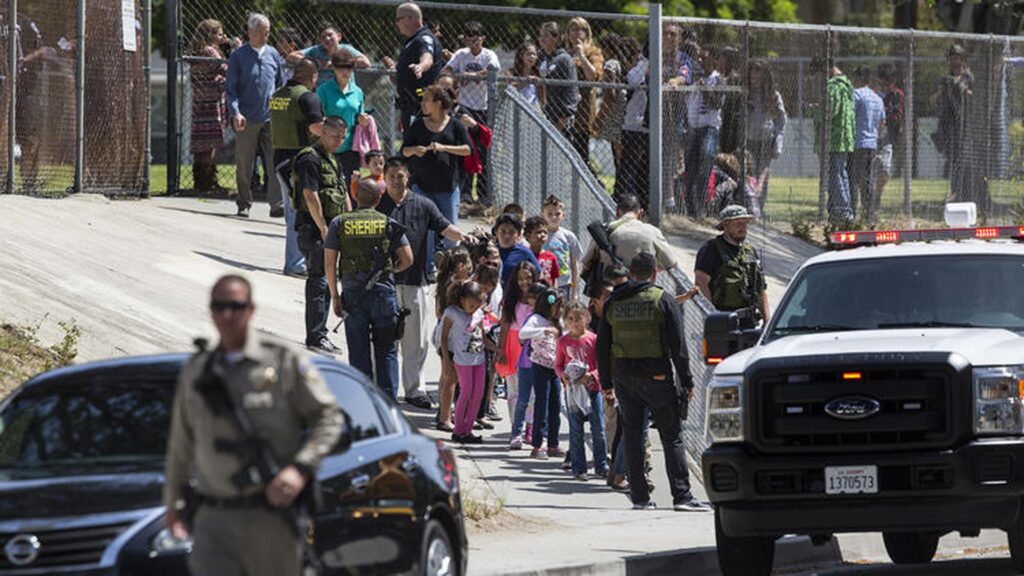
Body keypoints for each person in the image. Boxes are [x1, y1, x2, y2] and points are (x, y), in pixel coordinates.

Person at [163, 274, 343, 576]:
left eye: (235, 306)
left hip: (270, 518)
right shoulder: (197, 372)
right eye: (219, 307)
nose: (226, 314)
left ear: (250, 309)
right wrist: (173, 503)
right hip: (213, 520)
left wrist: (300, 469)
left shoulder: (283, 361)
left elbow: (328, 417)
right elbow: (181, 444)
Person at [597, 252, 710, 512]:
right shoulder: (663, 299)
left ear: (631, 272)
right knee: (672, 437)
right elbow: (678, 347)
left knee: (633, 436)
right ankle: (682, 497)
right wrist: (687, 381)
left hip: (624, 378)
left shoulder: (614, 301)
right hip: (657, 376)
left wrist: (606, 383)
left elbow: (602, 347)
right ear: (655, 273)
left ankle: (640, 498)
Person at [377, 157, 470, 410]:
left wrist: (464, 236)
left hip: (416, 282)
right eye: (392, 176)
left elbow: (444, 226)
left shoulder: (423, 204)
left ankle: (414, 391)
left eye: (401, 176)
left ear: (408, 178)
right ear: (384, 178)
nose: (397, 180)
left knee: (415, 340)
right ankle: (384, 390)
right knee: (386, 340)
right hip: (385, 283)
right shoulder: (376, 204)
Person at [325, 179, 414, 399]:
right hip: (384, 295)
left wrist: (335, 296)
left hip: (353, 297)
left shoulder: (339, 223)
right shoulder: (387, 222)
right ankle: (388, 405)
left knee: (358, 352)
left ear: (355, 196)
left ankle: (362, 403)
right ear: (378, 199)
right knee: (386, 351)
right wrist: (390, 271)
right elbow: (408, 258)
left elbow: (329, 264)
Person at [293, 116, 351, 354]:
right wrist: (323, 228)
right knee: (319, 281)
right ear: (323, 133)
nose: (339, 140)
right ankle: (316, 336)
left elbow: (343, 192)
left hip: (333, 228)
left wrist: (349, 222)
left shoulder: (333, 160)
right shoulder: (310, 158)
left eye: (343, 136)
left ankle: (321, 333)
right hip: (314, 229)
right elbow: (310, 194)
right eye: (335, 135)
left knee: (328, 281)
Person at [401, 84, 471, 271]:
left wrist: (444, 147)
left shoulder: (455, 124)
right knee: (426, 230)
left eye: (427, 100)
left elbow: (467, 149)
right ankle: (428, 267)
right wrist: (415, 150)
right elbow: (404, 151)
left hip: (448, 187)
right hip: (422, 186)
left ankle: (450, 268)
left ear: (438, 103)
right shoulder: (418, 124)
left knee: (451, 230)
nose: (423, 103)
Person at [226, 13, 286, 218]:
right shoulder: (238, 56)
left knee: (274, 162)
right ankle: (244, 203)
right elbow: (231, 89)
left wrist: (281, 111)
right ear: (250, 32)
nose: (266, 36)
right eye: (262, 32)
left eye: (268, 32)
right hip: (246, 119)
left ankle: (276, 204)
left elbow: (281, 85)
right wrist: (236, 112)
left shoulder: (273, 54)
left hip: (271, 119)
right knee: (245, 163)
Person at [269, 58, 323, 278]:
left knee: (292, 212)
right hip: (297, 160)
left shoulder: (278, 95)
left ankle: (296, 260)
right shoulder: (308, 97)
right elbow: (317, 128)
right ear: (313, 76)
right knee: (296, 213)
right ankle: (295, 263)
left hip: (280, 159)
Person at [444, 24, 499, 205]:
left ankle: (483, 194)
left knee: (483, 150)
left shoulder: (488, 54)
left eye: (476, 37)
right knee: (467, 148)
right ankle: (466, 192)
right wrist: (459, 76)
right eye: (469, 38)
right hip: (465, 106)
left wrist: (472, 74)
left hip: (483, 108)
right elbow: (448, 70)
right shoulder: (461, 54)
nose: (473, 41)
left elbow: (491, 70)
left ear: (483, 38)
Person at [556, 302, 607, 482]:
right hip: (573, 393)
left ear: (587, 318)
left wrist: (592, 376)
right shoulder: (563, 342)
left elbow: (602, 363)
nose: (575, 323)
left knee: (598, 429)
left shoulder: (593, 339)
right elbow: (559, 365)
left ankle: (601, 465)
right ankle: (579, 468)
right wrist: (564, 376)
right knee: (576, 430)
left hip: (592, 391)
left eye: (578, 318)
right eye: (570, 319)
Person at [581, 193, 677, 289]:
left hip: (610, 292)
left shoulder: (604, 231)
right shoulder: (652, 231)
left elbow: (587, 263)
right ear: (640, 213)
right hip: (642, 290)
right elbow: (671, 262)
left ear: (617, 211)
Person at [694, 204, 770, 323]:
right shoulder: (711, 249)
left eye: (745, 223)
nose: (742, 227)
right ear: (725, 224)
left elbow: (761, 289)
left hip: (748, 321)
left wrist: (767, 322)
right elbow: (701, 283)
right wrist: (713, 316)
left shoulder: (749, 251)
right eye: (737, 223)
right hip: (723, 319)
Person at [189, 19, 237, 195]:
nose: (222, 36)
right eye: (219, 33)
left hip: (200, 102)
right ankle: (207, 182)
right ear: (210, 35)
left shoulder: (200, 51)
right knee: (209, 145)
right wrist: (234, 48)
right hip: (211, 102)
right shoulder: (209, 51)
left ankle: (202, 181)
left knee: (202, 144)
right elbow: (227, 70)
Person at [519, 287, 565, 460]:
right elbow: (523, 333)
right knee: (542, 404)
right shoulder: (537, 319)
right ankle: (538, 445)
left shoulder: (558, 321)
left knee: (555, 404)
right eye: (557, 307)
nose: (560, 311)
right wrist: (544, 331)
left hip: (555, 368)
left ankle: (553, 443)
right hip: (540, 367)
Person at [499, 261, 541, 449]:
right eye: (521, 278)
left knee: (533, 392)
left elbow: (554, 304)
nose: (524, 282)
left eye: (529, 278)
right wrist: (500, 349)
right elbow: (505, 325)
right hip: (513, 345)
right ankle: (516, 428)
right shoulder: (510, 299)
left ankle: (530, 427)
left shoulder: (542, 297)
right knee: (514, 390)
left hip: (534, 348)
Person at [441, 281, 488, 444]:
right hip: (462, 361)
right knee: (466, 392)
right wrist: (447, 360)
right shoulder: (452, 313)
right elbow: (443, 338)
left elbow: (482, 336)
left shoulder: (479, 313)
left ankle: (468, 430)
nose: (473, 308)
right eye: (471, 305)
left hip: (479, 359)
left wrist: (498, 350)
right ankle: (458, 429)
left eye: (477, 305)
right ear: (461, 300)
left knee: (477, 395)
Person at [433, 247, 474, 431]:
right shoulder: (457, 287)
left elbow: (438, 312)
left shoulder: (443, 282)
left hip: (442, 333)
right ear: (460, 266)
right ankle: (444, 418)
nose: (471, 267)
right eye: (468, 264)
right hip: (451, 337)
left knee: (446, 375)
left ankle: (443, 411)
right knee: (451, 377)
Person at [810, 58, 855, 224]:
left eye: (819, 74)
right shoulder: (847, 85)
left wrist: (813, 112)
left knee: (834, 176)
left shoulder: (833, 87)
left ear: (827, 69)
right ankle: (841, 210)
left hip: (832, 139)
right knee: (840, 175)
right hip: (843, 138)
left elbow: (829, 113)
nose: (818, 78)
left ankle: (843, 211)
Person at [682, 47, 724, 219]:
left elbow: (716, 104)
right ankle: (691, 209)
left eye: (704, 58)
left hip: (709, 127)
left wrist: (704, 88)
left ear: (712, 61)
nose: (700, 62)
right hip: (692, 127)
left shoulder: (717, 79)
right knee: (690, 167)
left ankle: (702, 205)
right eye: (698, 59)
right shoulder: (693, 79)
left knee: (705, 159)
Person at [317, 52, 371, 182]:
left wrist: (363, 120)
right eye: (341, 67)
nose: (345, 71)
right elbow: (318, 119)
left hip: (351, 149)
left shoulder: (357, 92)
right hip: (329, 148)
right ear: (334, 68)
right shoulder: (323, 90)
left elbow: (359, 117)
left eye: (349, 67)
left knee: (351, 190)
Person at [932, 44, 975, 203]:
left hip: (962, 125)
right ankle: (955, 191)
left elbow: (971, 96)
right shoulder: (945, 78)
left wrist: (958, 86)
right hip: (945, 124)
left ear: (962, 59)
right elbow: (933, 99)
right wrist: (943, 89)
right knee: (952, 159)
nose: (953, 61)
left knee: (960, 159)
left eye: (956, 57)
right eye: (951, 58)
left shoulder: (968, 77)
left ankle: (958, 191)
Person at [744, 58, 786, 213]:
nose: (753, 76)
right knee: (749, 173)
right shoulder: (745, 93)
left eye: (758, 72)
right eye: (751, 72)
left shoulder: (773, 96)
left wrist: (778, 144)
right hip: (748, 140)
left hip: (765, 140)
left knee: (762, 172)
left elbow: (781, 120)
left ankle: (759, 207)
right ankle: (750, 207)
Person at [394, 2, 444, 131]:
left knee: (419, 146)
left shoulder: (424, 39)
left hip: (420, 106)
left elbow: (427, 57)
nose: (396, 23)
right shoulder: (412, 41)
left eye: (398, 19)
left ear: (410, 18)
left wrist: (421, 66)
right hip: (410, 104)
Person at [615, 43, 650, 206]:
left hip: (651, 128)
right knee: (628, 170)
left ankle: (644, 205)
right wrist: (645, 62)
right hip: (634, 126)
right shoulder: (640, 69)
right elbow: (633, 79)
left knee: (644, 171)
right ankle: (619, 202)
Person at [850, 66, 886, 222]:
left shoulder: (856, 94)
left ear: (857, 79)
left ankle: (851, 213)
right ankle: (869, 215)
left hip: (857, 143)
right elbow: (882, 121)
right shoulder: (877, 98)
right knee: (867, 180)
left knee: (853, 180)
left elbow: (850, 116)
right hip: (871, 144)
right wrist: (875, 137)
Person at [566, 17, 603, 166]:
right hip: (562, 107)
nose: (576, 33)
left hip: (583, 109)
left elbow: (593, 75)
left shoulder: (593, 52)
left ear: (587, 33)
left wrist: (581, 55)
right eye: (573, 29)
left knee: (581, 154)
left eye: (580, 29)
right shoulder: (563, 53)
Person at [286, 23, 369, 88]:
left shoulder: (346, 49)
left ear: (339, 36)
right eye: (323, 37)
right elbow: (291, 56)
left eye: (330, 35)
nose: (327, 39)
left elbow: (365, 62)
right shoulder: (315, 50)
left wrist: (337, 64)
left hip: (344, 91)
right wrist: (315, 62)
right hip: (321, 93)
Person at [873, 63, 904, 222]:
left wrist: (885, 115)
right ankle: (870, 206)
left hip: (887, 138)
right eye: (882, 82)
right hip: (872, 138)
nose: (885, 86)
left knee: (885, 171)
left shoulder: (896, 95)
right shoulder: (874, 94)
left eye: (888, 83)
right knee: (870, 172)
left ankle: (877, 196)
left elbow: (898, 116)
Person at [537, 22, 579, 138]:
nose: (542, 39)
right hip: (547, 112)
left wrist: (565, 116)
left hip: (561, 116)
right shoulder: (542, 57)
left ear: (556, 38)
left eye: (546, 35)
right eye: (540, 35)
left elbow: (571, 89)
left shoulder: (564, 59)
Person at [541, 195, 583, 302]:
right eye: (549, 214)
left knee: (562, 314)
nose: (554, 217)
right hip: (544, 284)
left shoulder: (569, 236)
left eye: (557, 214)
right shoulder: (540, 235)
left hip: (564, 285)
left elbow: (574, 264)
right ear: (543, 215)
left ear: (563, 215)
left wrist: (574, 291)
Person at [494, 213, 541, 285]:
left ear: (519, 234)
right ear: (496, 233)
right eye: (503, 231)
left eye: (511, 232)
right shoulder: (491, 251)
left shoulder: (525, 253)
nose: (507, 236)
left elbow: (537, 274)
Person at [525, 216, 560, 287]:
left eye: (545, 232)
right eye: (539, 232)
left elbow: (554, 279)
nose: (543, 235)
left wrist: (554, 294)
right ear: (528, 236)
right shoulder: (524, 256)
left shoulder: (551, 257)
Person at [510, 42, 543, 106]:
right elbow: (509, 88)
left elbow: (543, 100)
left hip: (533, 110)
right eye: (528, 54)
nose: (532, 57)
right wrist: (526, 81)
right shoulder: (511, 72)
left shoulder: (538, 74)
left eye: (534, 54)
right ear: (521, 55)